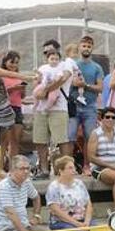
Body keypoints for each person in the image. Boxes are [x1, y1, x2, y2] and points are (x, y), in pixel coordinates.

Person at [33, 47, 73, 178]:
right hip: (41, 109)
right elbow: (36, 82)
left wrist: (45, 91)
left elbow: (61, 80)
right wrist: (40, 90)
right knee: (40, 139)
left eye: (56, 56)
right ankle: (44, 169)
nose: (53, 59)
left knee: (62, 139)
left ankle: (66, 168)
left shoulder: (65, 65)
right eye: (49, 55)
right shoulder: (42, 68)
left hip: (59, 108)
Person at [68, 35, 104, 171]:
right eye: (84, 46)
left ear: (92, 48)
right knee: (70, 136)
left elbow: (100, 88)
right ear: (79, 47)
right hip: (73, 105)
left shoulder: (97, 68)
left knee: (89, 136)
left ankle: (87, 165)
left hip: (90, 107)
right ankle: (68, 166)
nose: (86, 48)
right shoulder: (73, 65)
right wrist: (74, 83)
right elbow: (65, 82)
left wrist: (86, 85)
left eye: (89, 46)